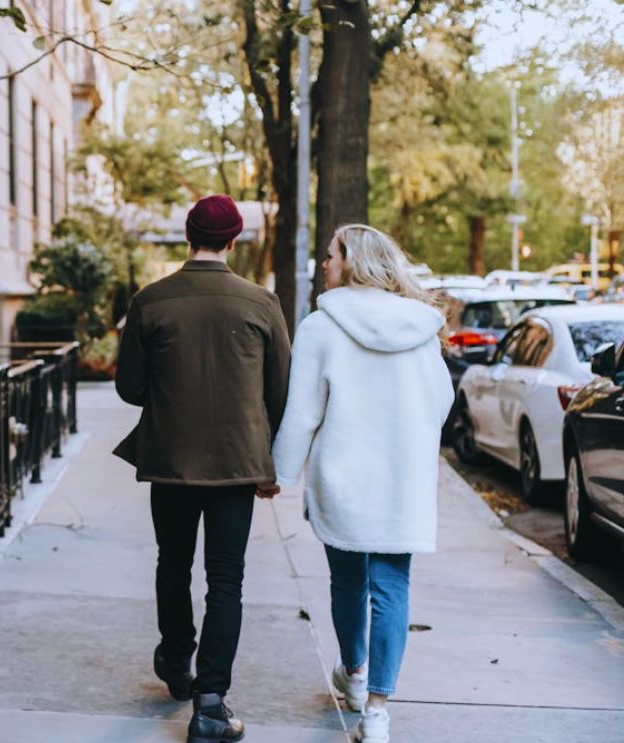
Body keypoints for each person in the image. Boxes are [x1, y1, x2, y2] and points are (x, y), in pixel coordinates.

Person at [115, 195, 291, 743]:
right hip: (237, 464)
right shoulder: (262, 303)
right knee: (226, 579)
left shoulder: (151, 301)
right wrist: (265, 458)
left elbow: (129, 387)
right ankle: (211, 703)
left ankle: (175, 660)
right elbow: (279, 392)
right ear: (235, 240)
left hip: (169, 459)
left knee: (173, 563)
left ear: (189, 237)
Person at [268, 224, 453, 743]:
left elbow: (303, 414)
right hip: (403, 479)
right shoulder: (420, 326)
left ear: (351, 261)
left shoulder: (321, 327)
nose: (323, 264)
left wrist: (280, 476)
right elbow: (441, 403)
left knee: (348, 581)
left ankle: (353, 672)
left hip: (341, 477)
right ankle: (376, 713)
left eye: (330, 256)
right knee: (392, 588)